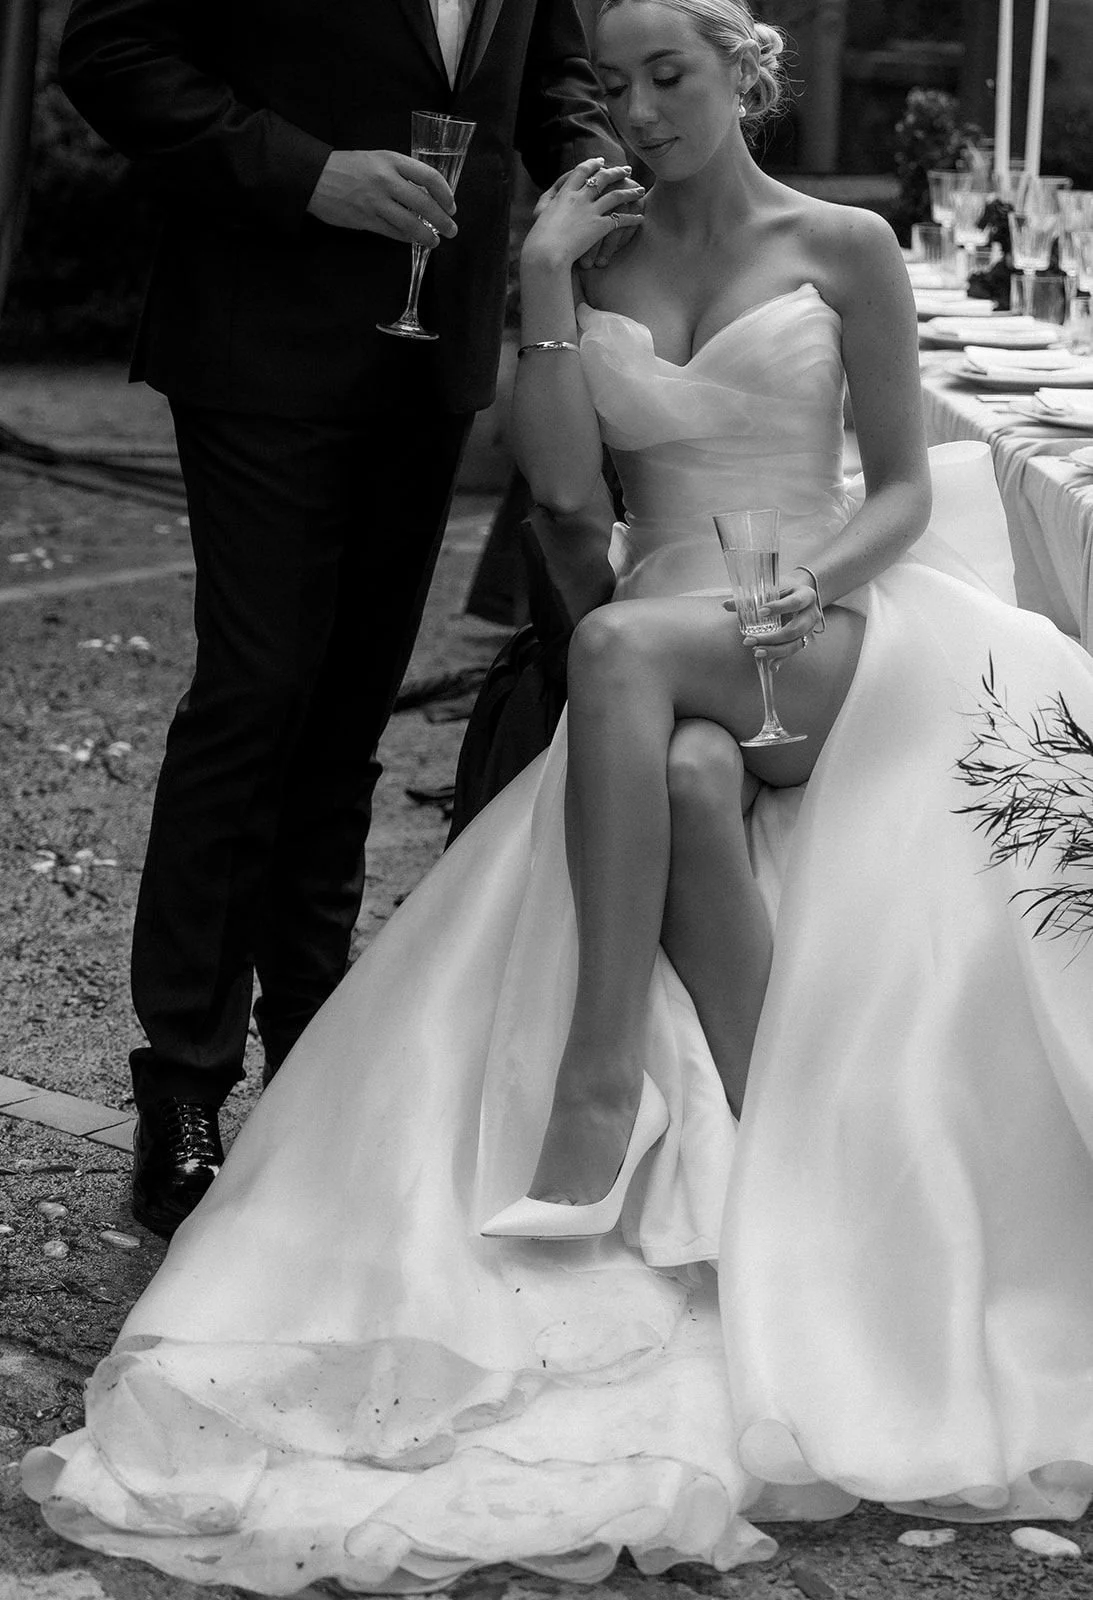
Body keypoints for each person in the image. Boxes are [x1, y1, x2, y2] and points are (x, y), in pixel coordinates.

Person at [25, 0, 1093, 1587]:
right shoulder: (593, 250)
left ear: (746, 73)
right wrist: (533, 275)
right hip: (666, 647)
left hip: (820, 627)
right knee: (667, 751)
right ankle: (773, 1130)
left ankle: (600, 1076)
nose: (641, 110)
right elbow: (568, 492)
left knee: (614, 658)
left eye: (674, 77)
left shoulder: (847, 241)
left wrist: (806, 592)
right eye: (616, 83)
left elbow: (896, 491)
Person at [55, 0, 632, 1239]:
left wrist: (609, 176)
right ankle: (186, 1086)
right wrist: (307, 173)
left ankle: (318, 1056)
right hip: (261, 336)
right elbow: (110, 53)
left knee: (349, 711)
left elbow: (555, 87)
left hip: (428, 357)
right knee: (258, 690)